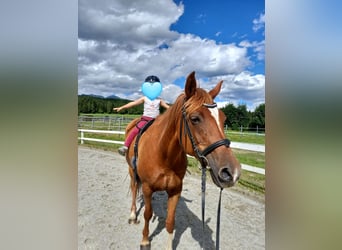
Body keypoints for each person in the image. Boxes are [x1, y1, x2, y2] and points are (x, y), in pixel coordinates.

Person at [113, 75, 170, 156]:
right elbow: (133, 103)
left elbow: (168, 107)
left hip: (156, 120)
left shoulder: (159, 100)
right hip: (146, 119)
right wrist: (122, 107)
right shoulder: (144, 98)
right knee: (135, 130)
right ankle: (125, 147)